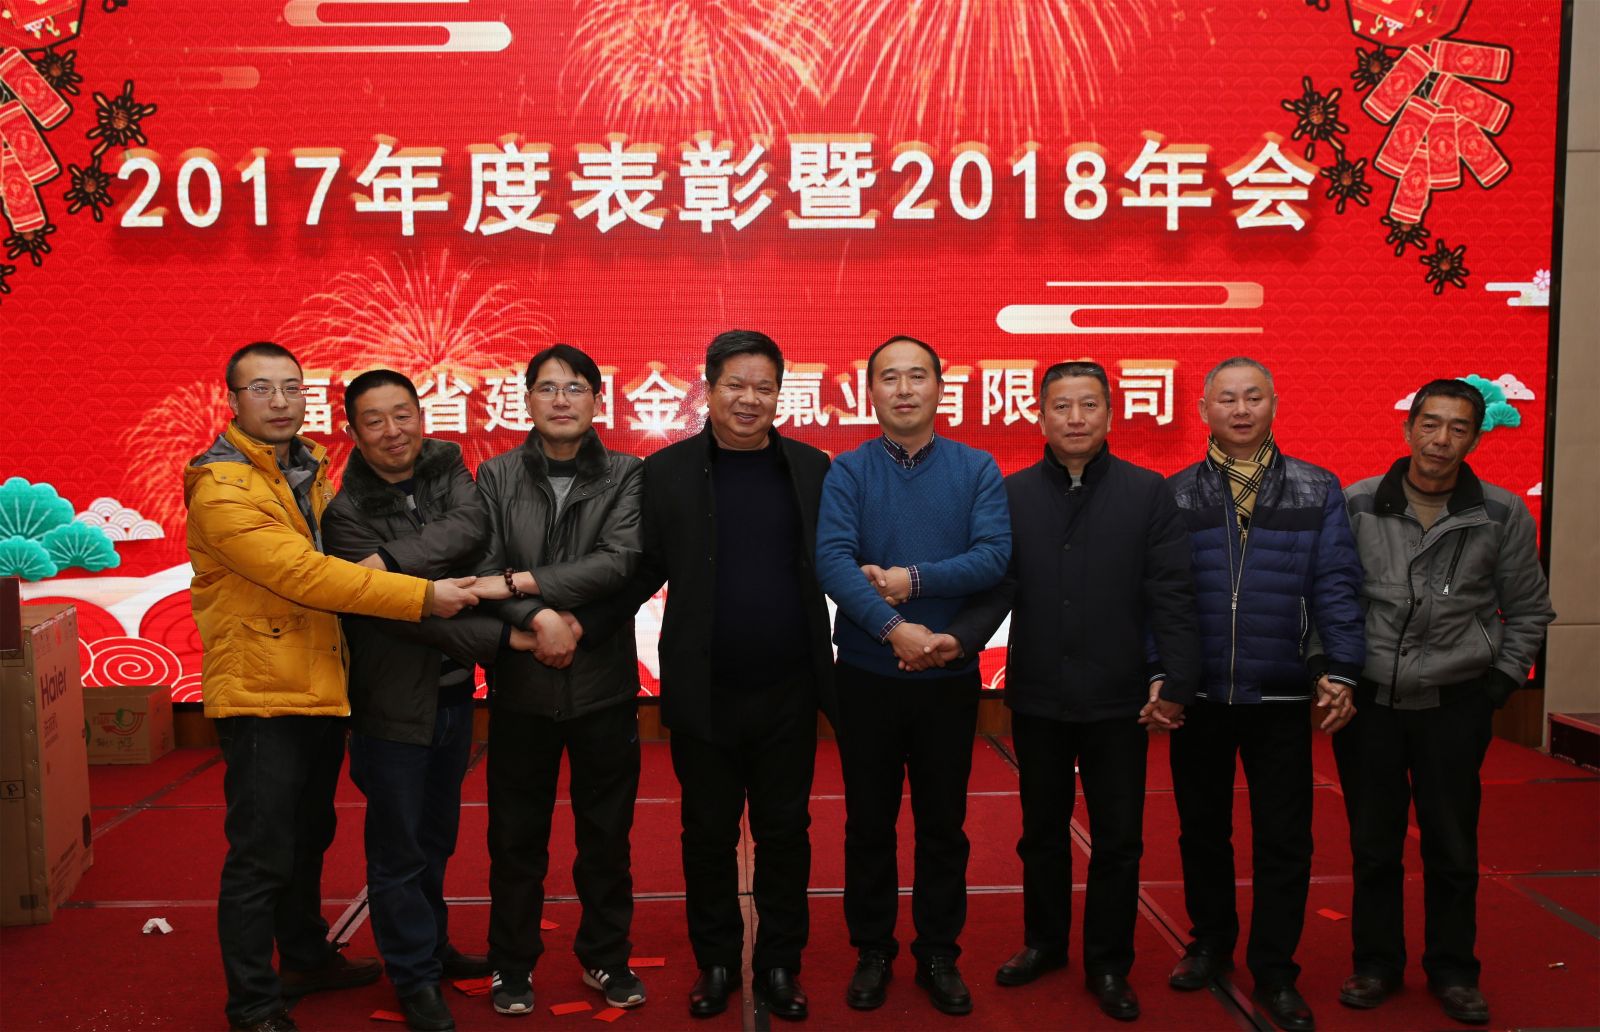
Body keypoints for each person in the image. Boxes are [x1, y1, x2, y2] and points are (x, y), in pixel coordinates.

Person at [185, 342, 479, 1032]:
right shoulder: (222, 485)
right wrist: (422, 595)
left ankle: (306, 956)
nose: (280, 401)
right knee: (261, 852)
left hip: (320, 682)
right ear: (233, 400)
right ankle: (253, 1003)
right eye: (262, 389)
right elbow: (306, 575)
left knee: (309, 835)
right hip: (262, 691)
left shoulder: (308, 472)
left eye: (291, 387)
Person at [577, 329, 833, 1022]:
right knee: (707, 834)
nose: (750, 399)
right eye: (735, 385)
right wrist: (581, 625)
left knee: (786, 833)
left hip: (789, 688)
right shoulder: (665, 472)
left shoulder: (813, 469)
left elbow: (837, 559)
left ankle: (779, 963)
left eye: (764, 387)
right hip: (704, 691)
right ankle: (716, 961)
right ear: (708, 389)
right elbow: (642, 569)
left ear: (780, 395)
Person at [941, 361, 1201, 1022]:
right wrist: (956, 641)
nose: (1076, 418)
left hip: (1120, 697)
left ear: (1110, 413)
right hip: (1039, 693)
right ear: (1040, 416)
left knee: (1118, 839)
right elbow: (997, 586)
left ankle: (1109, 963)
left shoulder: (1147, 493)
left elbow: (1171, 592)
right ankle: (1045, 943)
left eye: (1089, 405)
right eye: (1062, 406)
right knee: (1042, 833)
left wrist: (1176, 677)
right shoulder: (1012, 494)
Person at [1330, 379, 1554, 1026]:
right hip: (1371, 704)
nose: (1441, 440)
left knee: (1452, 847)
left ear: (1475, 438)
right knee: (1374, 845)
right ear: (1408, 429)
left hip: (1457, 704)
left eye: (1458, 428)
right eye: (1430, 424)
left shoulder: (1503, 513)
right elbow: (1330, 599)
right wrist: (1332, 672)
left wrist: (1498, 686)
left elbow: (1529, 609)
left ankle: (1454, 971)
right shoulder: (1358, 503)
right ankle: (1376, 964)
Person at [322, 369, 537, 1031]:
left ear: (422, 414)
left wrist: (390, 566)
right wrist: (492, 632)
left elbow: (471, 526)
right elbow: (400, 616)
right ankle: (412, 975)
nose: (393, 432)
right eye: (375, 420)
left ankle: (432, 947)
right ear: (353, 432)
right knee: (399, 848)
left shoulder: (449, 468)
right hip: (391, 703)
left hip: (452, 697)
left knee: (437, 838)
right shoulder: (344, 513)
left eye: (403, 414)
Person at [1164, 356, 1366, 1032]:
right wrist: (1162, 672)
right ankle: (1210, 943)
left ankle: (1276, 970)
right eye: (1227, 398)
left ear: (1274, 404)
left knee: (1285, 839)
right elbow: (1161, 598)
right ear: (1204, 410)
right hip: (1200, 696)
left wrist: (1342, 667)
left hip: (1280, 694)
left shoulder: (1317, 487)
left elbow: (1336, 583)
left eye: (1253, 397)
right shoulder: (1175, 493)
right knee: (1202, 831)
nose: (1241, 409)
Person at [815, 335, 1011, 1017]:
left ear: (939, 387)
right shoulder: (849, 471)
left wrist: (911, 580)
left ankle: (937, 952)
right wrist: (896, 628)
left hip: (947, 678)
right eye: (889, 378)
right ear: (870, 391)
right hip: (867, 676)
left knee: (943, 825)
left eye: (917, 376)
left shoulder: (976, 468)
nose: (904, 389)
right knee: (868, 824)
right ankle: (872, 950)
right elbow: (833, 561)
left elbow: (993, 556)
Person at [465, 345, 647, 1018]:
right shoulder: (495, 475)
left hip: (602, 687)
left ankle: (607, 956)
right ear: (527, 400)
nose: (561, 400)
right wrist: (539, 618)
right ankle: (512, 965)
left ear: (598, 400)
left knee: (607, 839)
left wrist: (525, 592)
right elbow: (481, 563)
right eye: (547, 388)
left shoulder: (628, 473)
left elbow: (619, 563)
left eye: (575, 388)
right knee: (515, 842)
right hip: (520, 686)